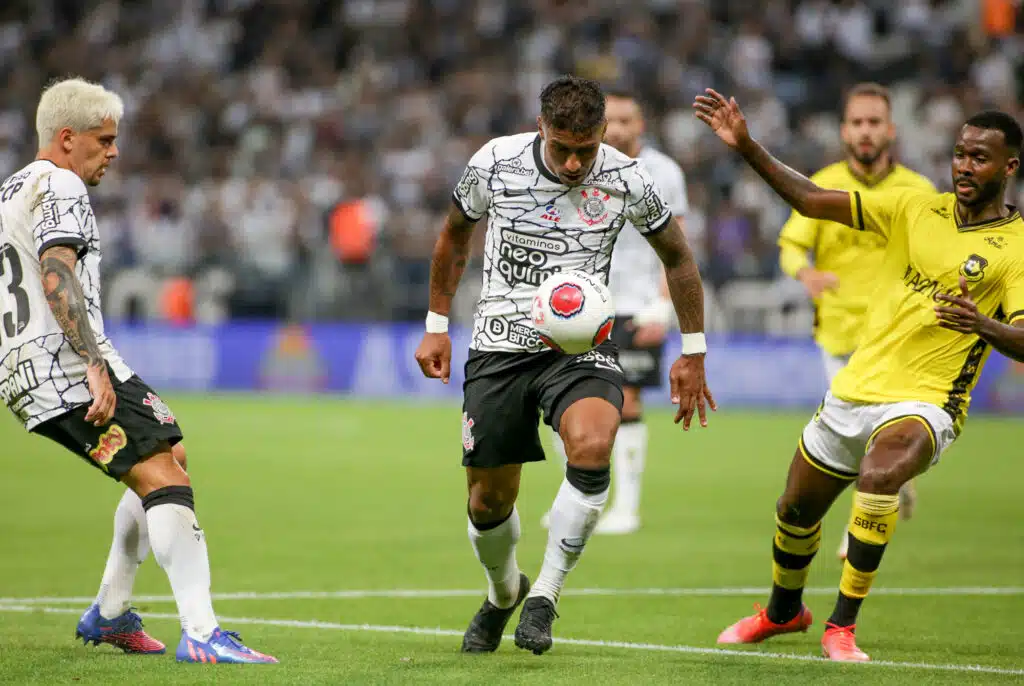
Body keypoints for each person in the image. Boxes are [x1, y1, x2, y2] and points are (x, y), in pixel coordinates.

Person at [694, 88, 1023, 662]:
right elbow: (811, 198)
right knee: (794, 510)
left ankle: (840, 626)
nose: (965, 167)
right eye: (960, 154)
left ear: (1009, 167)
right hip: (855, 387)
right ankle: (782, 612)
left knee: (879, 478)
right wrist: (746, 147)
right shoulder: (914, 207)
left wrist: (982, 325)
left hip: (927, 400)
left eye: (980, 158)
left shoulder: (1017, 248)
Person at [414, 75, 714, 656]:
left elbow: (678, 256)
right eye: (562, 148)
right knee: (488, 502)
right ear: (540, 129)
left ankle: (545, 596)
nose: (575, 163)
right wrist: (435, 325)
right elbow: (454, 236)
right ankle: (504, 594)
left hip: (582, 347)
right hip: (499, 347)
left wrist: (694, 348)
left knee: (594, 444)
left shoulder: (629, 178)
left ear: (604, 133)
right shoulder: (496, 163)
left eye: (587, 148)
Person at [0, 78, 276, 664]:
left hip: (22, 366)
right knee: (164, 478)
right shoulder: (64, 183)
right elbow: (56, 270)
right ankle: (201, 632)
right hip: (67, 361)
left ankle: (109, 612)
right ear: (67, 139)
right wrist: (92, 365)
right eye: (104, 140)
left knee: (168, 455)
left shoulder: (11, 190)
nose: (115, 151)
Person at [777, 83, 936, 559]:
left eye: (873, 122)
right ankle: (893, 488)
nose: (865, 132)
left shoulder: (918, 192)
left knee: (868, 437)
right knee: (855, 437)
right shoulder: (821, 184)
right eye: (857, 123)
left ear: (891, 129)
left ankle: (858, 526)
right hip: (839, 335)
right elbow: (790, 244)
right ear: (844, 130)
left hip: (896, 338)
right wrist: (805, 273)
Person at [542, 88, 691, 535]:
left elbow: (678, 246)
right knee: (559, 402)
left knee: (626, 401)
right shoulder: (578, 164)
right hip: (579, 305)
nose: (622, 128)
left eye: (630, 119)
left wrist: (664, 305)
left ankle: (626, 507)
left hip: (637, 305)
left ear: (641, 124)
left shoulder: (664, 171)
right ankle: (576, 497)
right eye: (615, 121)